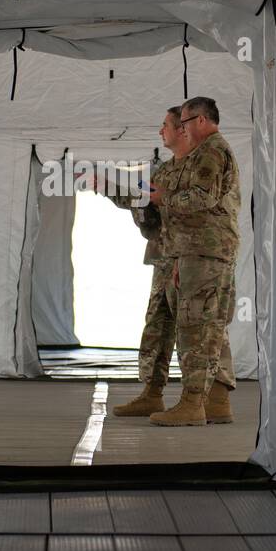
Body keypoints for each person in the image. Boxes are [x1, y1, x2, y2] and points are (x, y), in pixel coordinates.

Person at [147, 95, 240, 426]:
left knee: (196, 329)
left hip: (206, 251)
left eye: (184, 123)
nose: (181, 129)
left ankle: (192, 405)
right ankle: (214, 402)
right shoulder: (207, 151)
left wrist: (164, 198)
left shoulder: (213, 151)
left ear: (201, 120)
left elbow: (203, 197)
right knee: (208, 328)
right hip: (196, 250)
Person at [101, 107, 189, 416]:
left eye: (165, 125)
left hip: (191, 262)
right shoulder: (165, 171)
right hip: (164, 261)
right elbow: (142, 199)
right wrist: (107, 186)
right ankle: (152, 393)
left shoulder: (197, 167)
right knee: (157, 326)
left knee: (196, 329)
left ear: (183, 130)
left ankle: (207, 399)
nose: (160, 131)